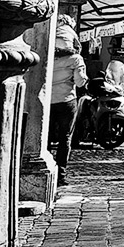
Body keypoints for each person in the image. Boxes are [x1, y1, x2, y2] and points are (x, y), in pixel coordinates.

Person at [47, 18, 82, 185]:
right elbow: (81, 82)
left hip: (48, 100)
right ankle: (61, 173)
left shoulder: (46, 56)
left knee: (45, 136)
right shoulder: (75, 59)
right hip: (67, 100)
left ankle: (45, 167)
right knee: (65, 137)